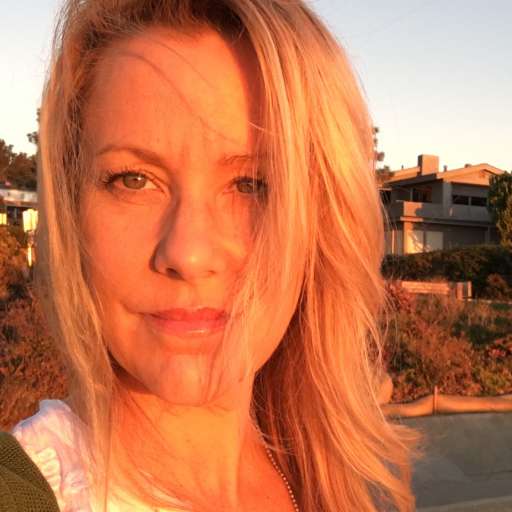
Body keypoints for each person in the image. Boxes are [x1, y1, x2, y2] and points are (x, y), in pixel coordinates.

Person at [5, 0, 419, 510]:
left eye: (251, 184)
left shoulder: (334, 473)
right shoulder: (24, 491)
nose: (189, 253)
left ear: (321, 223)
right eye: (133, 180)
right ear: (71, 209)